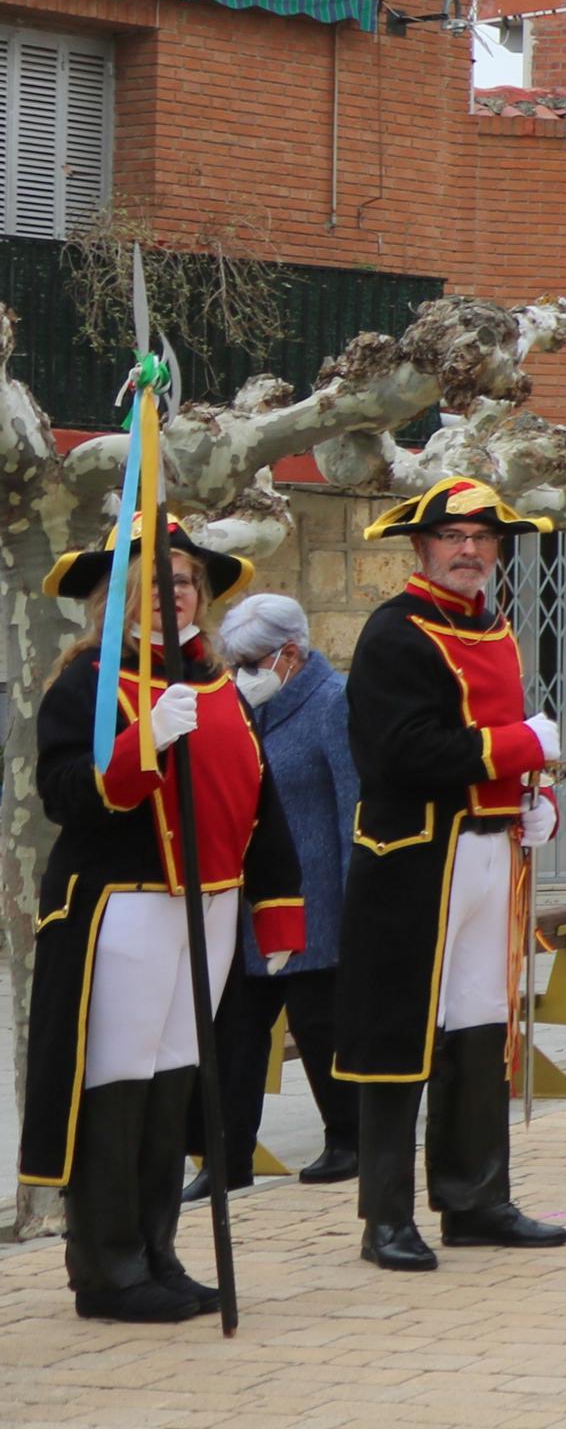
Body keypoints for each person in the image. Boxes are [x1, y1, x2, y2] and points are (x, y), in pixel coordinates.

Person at [21, 523, 304, 1322]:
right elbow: (65, 793)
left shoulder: (217, 687)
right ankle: (108, 1269)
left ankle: (157, 1252)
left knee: (173, 1082)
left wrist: (277, 911)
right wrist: (141, 743)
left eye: (183, 579)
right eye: (154, 579)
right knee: (118, 1084)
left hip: (207, 908)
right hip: (125, 906)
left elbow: (259, 805)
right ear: (114, 598)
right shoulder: (87, 685)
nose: (172, 591)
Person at [331, 478, 566, 1271]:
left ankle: (476, 1198)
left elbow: (500, 745)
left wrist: (535, 803)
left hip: (488, 847)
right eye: (453, 536)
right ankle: (386, 1217)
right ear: (422, 546)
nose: (469, 549)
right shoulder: (394, 633)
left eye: (482, 536)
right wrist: (520, 749)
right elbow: (403, 752)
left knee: (479, 1026)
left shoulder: (495, 626)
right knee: (400, 1035)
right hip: (415, 857)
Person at [203, 591, 357, 1191]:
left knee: (322, 1029)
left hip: (318, 903)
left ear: (290, 654)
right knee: (235, 1037)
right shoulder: (248, 707)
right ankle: (225, 1161)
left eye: (251, 662)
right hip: (251, 903)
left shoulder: (333, 702)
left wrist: (353, 908)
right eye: (234, 662)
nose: (241, 675)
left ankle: (348, 1140)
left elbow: (353, 807)